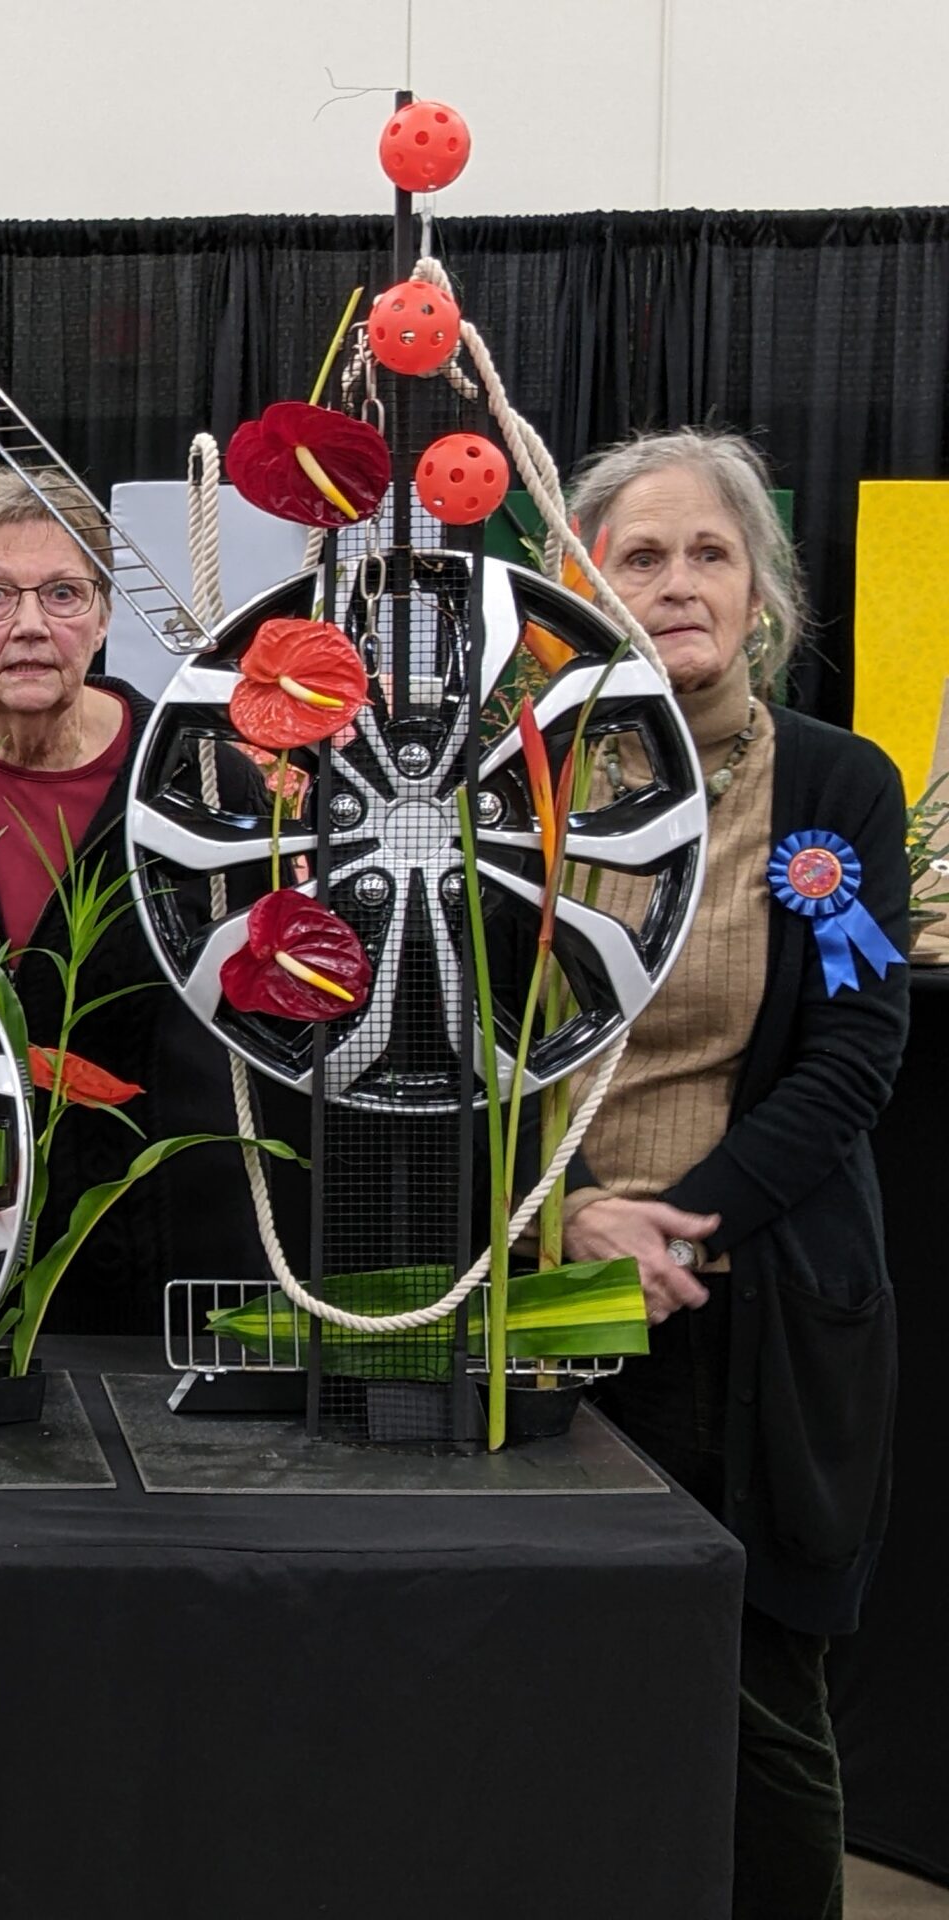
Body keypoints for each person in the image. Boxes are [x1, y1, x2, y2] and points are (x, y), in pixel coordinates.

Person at [563, 429, 908, 1920]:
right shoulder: (522, 789)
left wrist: (674, 1226)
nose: (679, 582)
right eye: (641, 556)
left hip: (752, 1318)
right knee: (560, 1703)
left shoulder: (835, 787)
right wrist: (569, 1214)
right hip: (550, 1300)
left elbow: (854, 1053)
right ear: (584, 587)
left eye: (711, 552)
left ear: (763, 588)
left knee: (764, 1716)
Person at [0, 470, 239, 1332]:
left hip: (157, 1249)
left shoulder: (200, 775)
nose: (29, 625)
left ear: (102, 617)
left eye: (63, 592)